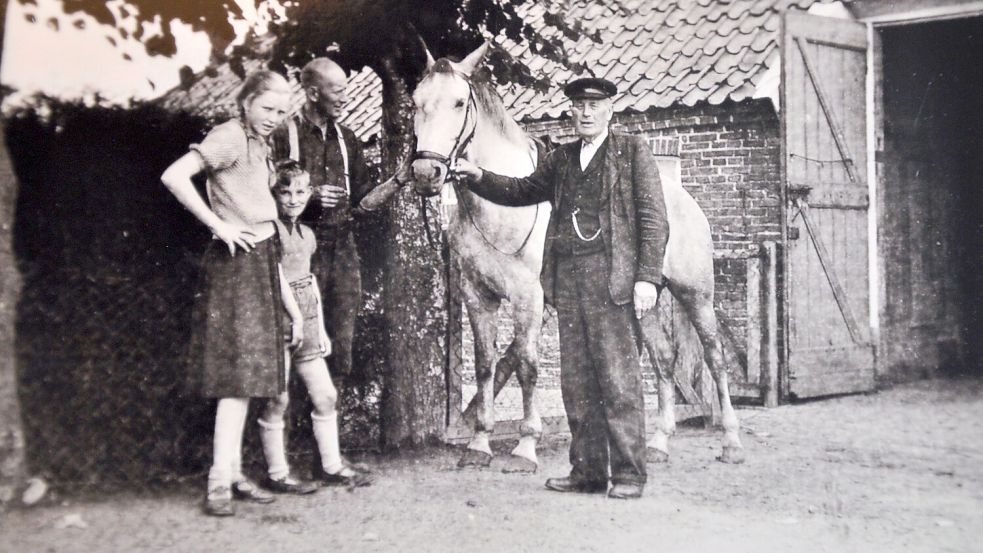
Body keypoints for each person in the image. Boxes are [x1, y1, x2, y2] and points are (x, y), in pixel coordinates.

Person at [453, 77, 669, 500]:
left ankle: (628, 475)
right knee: (576, 381)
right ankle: (587, 472)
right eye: (579, 105)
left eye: (594, 105)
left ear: (610, 108)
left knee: (619, 380)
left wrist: (648, 277)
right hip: (569, 280)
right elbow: (521, 191)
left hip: (614, 281)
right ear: (571, 111)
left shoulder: (632, 151)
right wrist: (478, 176)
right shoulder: (563, 158)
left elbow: (653, 219)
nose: (586, 113)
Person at [161, 70, 300, 516]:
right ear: (246, 102)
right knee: (237, 381)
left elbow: (260, 215)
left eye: (282, 112)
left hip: (260, 259)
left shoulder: (258, 143)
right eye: (267, 109)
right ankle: (219, 482)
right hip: (236, 265)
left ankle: (234, 473)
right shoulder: (230, 137)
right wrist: (218, 225)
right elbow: (175, 176)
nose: (274, 118)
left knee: (250, 379)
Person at [271, 57, 406, 477]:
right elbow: (260, 194)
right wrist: (308, 200)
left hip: (342, 251)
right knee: (293, 347)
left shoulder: (348, 138)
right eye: (338, 91)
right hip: (296, 252)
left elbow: (363, 200)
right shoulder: (283, 136)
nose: (346, 98)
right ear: (313, 93)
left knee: (339, 347)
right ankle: (288, 454)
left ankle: (328, 454)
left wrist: (399, 181)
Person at [258, 160, 372, 492]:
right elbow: (277, 281)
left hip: (305, 318)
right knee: (277, 400)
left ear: (310, 194)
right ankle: (277, 474)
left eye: (300, 192)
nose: (293, 200)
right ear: (274, 195)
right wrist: (294, 318)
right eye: (285, 192)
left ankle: (332, 466)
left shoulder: (307, 234)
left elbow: (308, 284)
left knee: (325, 395)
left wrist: (317, 328)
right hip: (277, 318)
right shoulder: (270, 231)